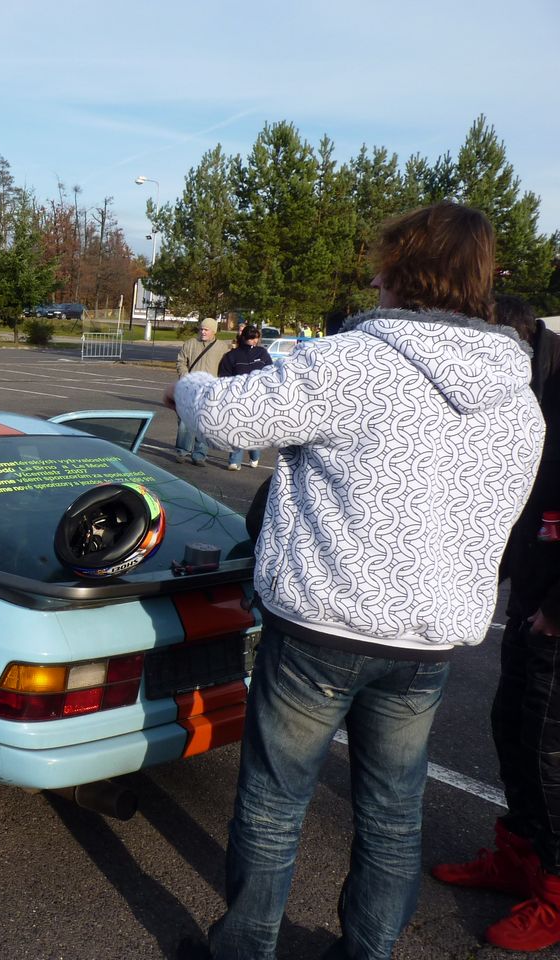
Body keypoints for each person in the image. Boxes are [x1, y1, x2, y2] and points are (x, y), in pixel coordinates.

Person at [166, 201, 543, 960]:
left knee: (274, 804)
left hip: (323, 625)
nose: (373, 280)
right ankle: (368, 950)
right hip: (427, 641)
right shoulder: (516, 395)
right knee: (393, 813)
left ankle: (245, 948)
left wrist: (186, 391)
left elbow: (231, 419)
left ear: (405, 271)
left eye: (383, 266)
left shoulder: (352, 361)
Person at [431, 293, 560, 952]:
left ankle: (557, 893)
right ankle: (520, 856)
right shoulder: (537, 385)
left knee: (550, 755)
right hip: (532, 594)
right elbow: (529, 500)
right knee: (511, 731)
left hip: (556, 613)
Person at [216, 324, 272, 469]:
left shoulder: (261, 353)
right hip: (239, 397)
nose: (254, 341)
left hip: (256, 398)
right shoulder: (232, 355)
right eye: (252, 338)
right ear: (245, 338)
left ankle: (254, 454)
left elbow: (270, 371)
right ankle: (234, 461)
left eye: (256, 338)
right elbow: (224, 376)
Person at [173, 317, 224, 465]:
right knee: (185, 423)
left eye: (206, 330)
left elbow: (225, 367)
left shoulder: (222, 347)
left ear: (213, 331)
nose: (203, 332)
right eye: (201, 329)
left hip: (209, 392)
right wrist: (185, 376)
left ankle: (199, 455)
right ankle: (182, 451)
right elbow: (181, 361)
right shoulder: (190, 343)